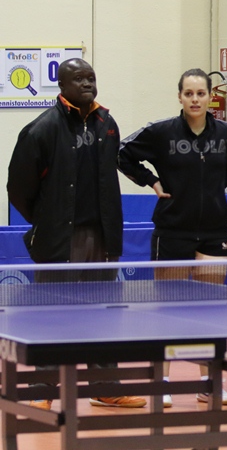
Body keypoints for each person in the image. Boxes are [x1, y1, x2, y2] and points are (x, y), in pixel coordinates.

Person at [6, 58, 146, 410]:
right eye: (78, 78)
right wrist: (47, 222)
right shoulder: (42, 129)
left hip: (101, 237)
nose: (86, 84)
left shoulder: (107, 124)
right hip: (60, 240)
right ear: (62, 86)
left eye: (91, 78)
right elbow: (18, 189)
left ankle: (105, 388)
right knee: (53, 316)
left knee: (103, 315)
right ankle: (42, 390)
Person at [118, 68, 227, 407]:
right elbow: (122, 153)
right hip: (173, 230)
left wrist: (224, 179)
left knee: (210, 311)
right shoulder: (161, 132)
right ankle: (161, 382)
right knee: (168, 309)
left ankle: (209, 383)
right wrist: (150, 180)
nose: (195, 99)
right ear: (179, 97)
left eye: (200, 94)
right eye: (188, 94)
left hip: (215, 231)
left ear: (210, 97)